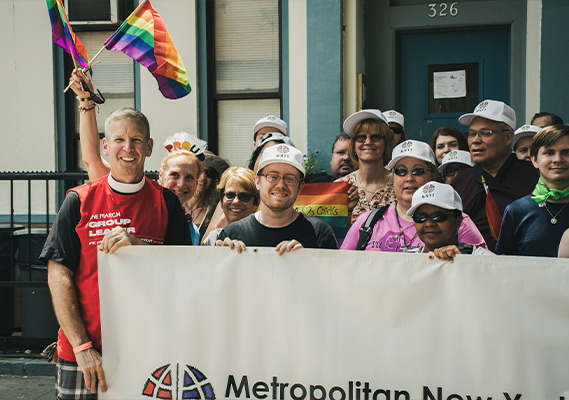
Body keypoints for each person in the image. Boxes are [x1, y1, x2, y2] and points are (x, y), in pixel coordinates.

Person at [40, 107, 192, 399]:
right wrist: (81, 346)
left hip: (148, 349)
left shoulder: (167, 202)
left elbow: (182, 270)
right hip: (84, 353)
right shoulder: (79, 200)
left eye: (137, 140)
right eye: (119, 139)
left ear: (149, 147)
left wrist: (139, 247)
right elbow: (58, 275)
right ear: (106, 146)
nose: (128, 148)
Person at [68, 69, 204, 243]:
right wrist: (86, 102)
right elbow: (92, 159)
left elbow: (180, 259)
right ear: (161, 176)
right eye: (174, 175)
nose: (181, 184)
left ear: (198, 182)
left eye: (190, 177)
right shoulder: (129, 188)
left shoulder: (192, 225)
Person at [340, 140, 486, 252]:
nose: (409, 178)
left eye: (418, 171)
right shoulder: (368, 221)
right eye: (401, 171)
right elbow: (342, 266)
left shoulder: (457, 220)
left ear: (433, 176)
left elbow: (483, 268)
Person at [451, 99, 538, 252]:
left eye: (486, 133)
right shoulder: (461, 181)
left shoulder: (532, 176)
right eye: (472, 134)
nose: (475, 140)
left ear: (508, 137)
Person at [217, 144, 338, 252]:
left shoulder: (319, 233)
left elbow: (331, 271)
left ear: (300, 187)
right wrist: (223, 258)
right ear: (257, 182)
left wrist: (306, 259)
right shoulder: (231, 234)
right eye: (272, 177)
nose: (280, 185)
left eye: (290, 179)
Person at [496, 125, 569, 257]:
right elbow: (505, 264)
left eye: (566, 152)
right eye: (549, 152)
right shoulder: (516, 210)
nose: (558, 159)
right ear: (534, 160)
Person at [337, 109, 397, 227]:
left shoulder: (400, 184)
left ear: (386, 144)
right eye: (361, 137)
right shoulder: (340, 187)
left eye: (376, 137)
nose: (368, 142)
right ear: (353, 146)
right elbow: (335, 233)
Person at [405, 182, 494, 260]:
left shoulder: (481, 258)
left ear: (458, 222)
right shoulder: (405, 260)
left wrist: (463, 262)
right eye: (420, 217)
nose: (428, 224)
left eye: (438, 216)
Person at [203, 167, 260, 245]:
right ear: (221, 201)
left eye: (244, 196)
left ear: (256, 203)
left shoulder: (264, 236)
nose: (236, 201)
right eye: (230, 195)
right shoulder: (213, 238)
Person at [185, 150, 229, 241]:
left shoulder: (216, 207)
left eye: (209, 173)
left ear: (214, 178)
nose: (203, 177)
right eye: (199, 172)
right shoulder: (176, 202)